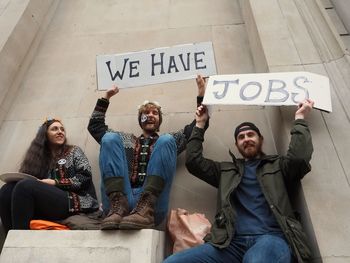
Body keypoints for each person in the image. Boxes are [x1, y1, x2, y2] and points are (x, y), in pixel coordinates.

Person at [164, 99, 315, 263]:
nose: (246, 139)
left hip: (271, 238)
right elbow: (193, 162)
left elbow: (299, 158)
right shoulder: (226, 171)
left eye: (251, 134)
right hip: (229, 244)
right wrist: (200, 125)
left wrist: (300, 118)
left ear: (260, 139)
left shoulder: (278, 165)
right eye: (241, 137)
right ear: (237, 145)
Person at [88, 76, 207, 230]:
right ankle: (118, 205)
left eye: (155, 113)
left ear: (159, 119)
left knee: (166, 140)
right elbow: (95, 127)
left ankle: (145, 209)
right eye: (147, 113)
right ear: (140, 119)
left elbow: (199, 125)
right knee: (109, 138)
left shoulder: (169, 142)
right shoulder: (125, 140)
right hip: (116, 206)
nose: (151, 115)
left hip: (152, 209)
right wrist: (106, 97)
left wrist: (201, 92)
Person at [0, 118, 99, 233]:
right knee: (6, 190)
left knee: (25, 186)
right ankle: (10, 239)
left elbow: (85, 177)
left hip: (77, 201)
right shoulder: (37, 160)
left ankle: (20, 238)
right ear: (45, 135)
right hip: (48, 205)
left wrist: (55, 182)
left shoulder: (74, 150)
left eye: (62, 129)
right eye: (54, 129)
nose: (60, 131)